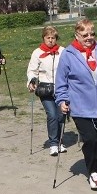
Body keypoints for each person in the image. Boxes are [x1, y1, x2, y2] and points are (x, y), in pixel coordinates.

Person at [55, 18, 97, 190]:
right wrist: (62, 100)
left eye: (92, 34)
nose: (89, 37)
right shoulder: (68, 55)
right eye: (84, 34)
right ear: (76, 35)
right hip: (80, 106)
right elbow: (61, 81)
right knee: (90, 139)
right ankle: (93, 173)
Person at [26, 25, 67, 156]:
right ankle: (53, 144)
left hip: (61, 88)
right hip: (45, 89)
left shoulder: (63, 51)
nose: (50, 40)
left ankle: (60, 141)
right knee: (52, 115)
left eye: (53, 37)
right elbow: (32, 70)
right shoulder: (37, 53)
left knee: (61, 116)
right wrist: (32, 81)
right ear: (43, 38)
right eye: (48, 37)